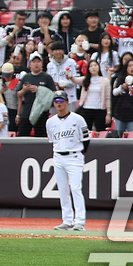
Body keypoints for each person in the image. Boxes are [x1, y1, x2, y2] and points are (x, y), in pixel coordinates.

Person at [46, 93, 90, 231]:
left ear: (67, 102)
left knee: (76, 188)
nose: (59, 103)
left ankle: (80, 221)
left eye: (61, 101)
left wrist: (80, 154)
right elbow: (52, 140)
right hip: (58, 156)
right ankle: (67, 220)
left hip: (74, 156)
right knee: (63, 189)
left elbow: (86, 140)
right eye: (56, 101)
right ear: (54, 104)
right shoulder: (50, 122)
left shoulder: (77, 119)